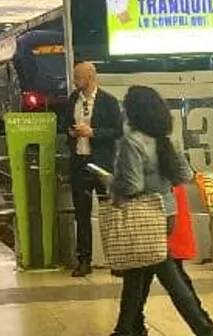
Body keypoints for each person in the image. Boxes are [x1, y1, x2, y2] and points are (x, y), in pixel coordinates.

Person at [110, 86, 213, 336]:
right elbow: (185, 175)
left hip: (144, 215)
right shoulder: (168, 139)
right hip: (168, 213)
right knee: (138, 271)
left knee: (169, 276)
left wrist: (110, 182)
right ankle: (128, 327)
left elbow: (133, 184)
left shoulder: (132, 142)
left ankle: (205, 329)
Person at [62, 61, 122, 277]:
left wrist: (93, 132)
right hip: (79, 162)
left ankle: (116, 260)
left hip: (101, 164)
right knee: (82, 213)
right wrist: (71, 132)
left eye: (78, 76)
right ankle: (84, 260)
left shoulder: (108, 101)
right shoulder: (73, 100)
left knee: (109, 212)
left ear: (90, 77)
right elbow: (64, 124)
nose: (75, 80)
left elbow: (118, 131)